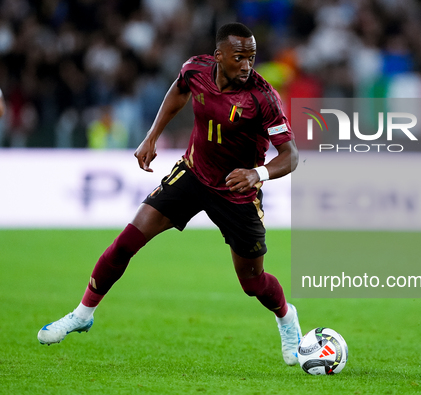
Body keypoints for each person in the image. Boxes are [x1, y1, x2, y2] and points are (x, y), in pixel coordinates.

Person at [37, 23, 302, 366]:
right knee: (126, 242)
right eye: (240, 58)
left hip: (236, 193)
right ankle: (83, 312)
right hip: (192, 175)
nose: (247, 65)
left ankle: (285, 316)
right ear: (219, 56)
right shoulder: (196, 70)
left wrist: (256, 173)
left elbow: (291, 155)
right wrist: (152, 136)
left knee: (252, 283)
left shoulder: (263, 97)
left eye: (252, 58)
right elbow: (178, 92)